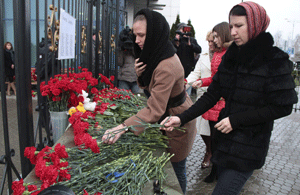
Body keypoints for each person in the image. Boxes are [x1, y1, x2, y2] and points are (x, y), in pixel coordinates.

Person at [160, 2, 298, 194]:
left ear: (256, 25)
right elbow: (212, 95)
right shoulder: (231, 57)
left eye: (239, 26)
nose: (233, 32)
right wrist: (181, 118)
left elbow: (283, 107)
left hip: (249, 147)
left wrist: (236, 120)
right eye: (231, 26)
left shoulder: (274, 60)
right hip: (224, 143)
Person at [102, 9, 197, 194]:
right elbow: (152, 91)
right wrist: (141, 75)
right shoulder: (158, 54)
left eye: (141, 35)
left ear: (154, 33)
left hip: (177, 122)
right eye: (135, 35)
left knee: (177, 172)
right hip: (168, 116)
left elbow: (154, 109)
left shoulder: (166, 65)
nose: (136, 40)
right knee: (170, 168)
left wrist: (122, 127)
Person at [192, 22, 232, 182]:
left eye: (216, 36)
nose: (214, 40)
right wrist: (203, 82)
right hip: (214, 102)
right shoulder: (217, 54)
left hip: (224, 104)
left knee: (221, 141)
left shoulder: (231, 54)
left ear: (223, 35)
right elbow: (217, 79)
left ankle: (220, 172)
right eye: (212, 37)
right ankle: (215, 172)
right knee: (214, 141)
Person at [185, 31, 216, 169]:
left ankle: (213, 153)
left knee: (215, 130)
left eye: (212, 41)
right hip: (203, 98)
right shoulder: (203, 57)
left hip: (218, 98)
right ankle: (209, 151)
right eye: (208, 41)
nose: (210, 44)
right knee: (203, 129)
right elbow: (195, 73)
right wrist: (184, 82)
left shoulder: (227, 56)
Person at [173, 23, 202, 95]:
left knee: (187, 94)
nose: (183, 33)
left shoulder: (191, 40)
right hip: (177, 70)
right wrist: (177, 44)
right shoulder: (176, 41)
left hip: (188, 71)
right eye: (182, 31)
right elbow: (171, 52)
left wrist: (190, 45)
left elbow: (199, 50)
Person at [117, 26, 141, 94]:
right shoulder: (123, 50)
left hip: (134, 78)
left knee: (133, 101)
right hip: (125, 78)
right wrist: (121, 49)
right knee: (125, 99)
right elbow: (119, 63)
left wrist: (133, 47)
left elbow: (139, 58)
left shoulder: (137, 47)